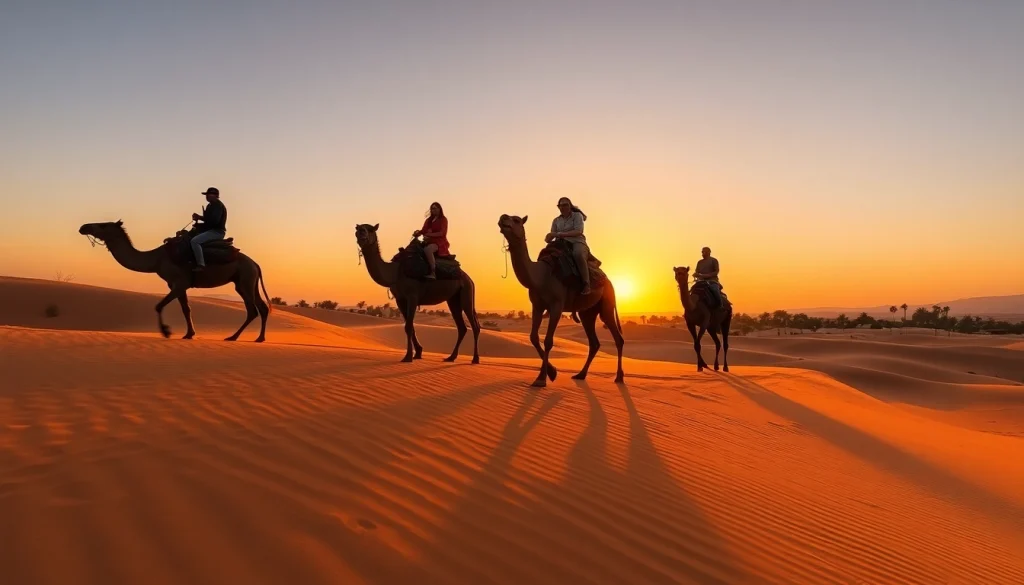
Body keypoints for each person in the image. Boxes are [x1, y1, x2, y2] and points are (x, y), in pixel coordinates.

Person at [545, 197, 591, 295]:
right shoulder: (556, 220)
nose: (562, 207)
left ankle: (586, 284)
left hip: (576, 242)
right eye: (560, 205)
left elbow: (578, 231)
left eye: (565, 205)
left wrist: (558, 234)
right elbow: (552, 234)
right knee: (546, 256)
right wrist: (548, 237)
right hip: (561, 244)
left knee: (577, 254)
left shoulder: (577, 216)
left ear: (570, 206)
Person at [190, 187, 228, 271]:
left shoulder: (218, 206)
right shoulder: (210, 205)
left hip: (217, 232)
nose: (206, 196)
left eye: (208, 194)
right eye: (206, 195)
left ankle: (201, 264)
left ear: (215, 196)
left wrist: (200, 217)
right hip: (211, 230)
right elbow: (209, 221)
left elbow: (214, 221)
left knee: (195, 241)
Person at [412, 202, 449, 279]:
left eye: (435, 208)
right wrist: (417, 232)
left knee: (427, 250)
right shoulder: (428, 220)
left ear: (439, 209)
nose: (433, 210)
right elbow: (423, 231)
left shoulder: (443, 219)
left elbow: (442, 233)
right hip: (428, 241)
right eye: (432, 208)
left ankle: (433, 272)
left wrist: (429, 235)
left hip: (439, 242)